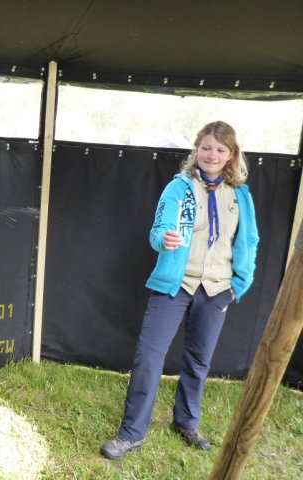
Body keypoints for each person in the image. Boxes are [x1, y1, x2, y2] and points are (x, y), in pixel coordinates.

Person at [100, 121, 259, 460]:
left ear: (231, 154)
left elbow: (250, 241)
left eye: (219, 149)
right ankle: (131, 434)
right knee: (148, 359)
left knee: (198, 362)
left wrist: (238, 285)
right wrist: (164, 240)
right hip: (175, 285)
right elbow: (157, 231)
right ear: (197, 150)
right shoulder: (179, 187)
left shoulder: (241, 196)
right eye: (206, 147)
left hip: (217, 289)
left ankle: (186, 422)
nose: (211, 155)